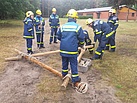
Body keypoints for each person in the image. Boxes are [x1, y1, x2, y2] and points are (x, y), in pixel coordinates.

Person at [57, 9, 88, 92]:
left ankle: (64, 75)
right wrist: (81, 44)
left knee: (64, 63)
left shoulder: (62, 27)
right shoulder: (77, 27)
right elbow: (81, 38)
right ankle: (75, 79)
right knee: (73, 64)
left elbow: (59, 37)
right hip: (72, 51)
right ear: (75, 18)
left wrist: (65, 41)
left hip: (63, 50)